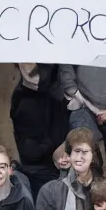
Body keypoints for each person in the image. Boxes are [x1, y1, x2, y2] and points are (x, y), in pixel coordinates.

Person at [35, 128, 104, 210]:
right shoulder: (49, 192)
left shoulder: (105, 190)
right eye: (76, 151)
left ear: (93, 156)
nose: (80, 157)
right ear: (69, 155)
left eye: (85, 152)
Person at [10, 64, 71, 200]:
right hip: (36, 168)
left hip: (57, 168)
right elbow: (29, 152)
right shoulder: (23, 99)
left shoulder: (59, 95)